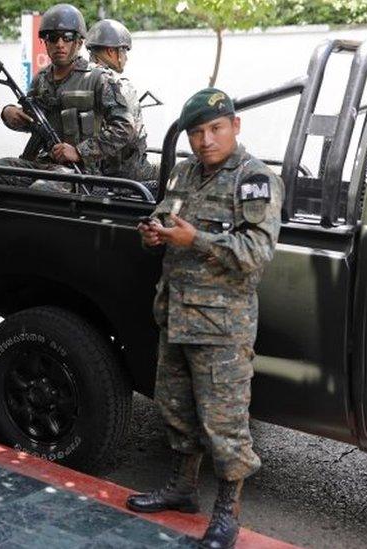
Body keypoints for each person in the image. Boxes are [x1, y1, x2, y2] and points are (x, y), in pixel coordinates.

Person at [128, 88, 283, 549]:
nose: (204, 140)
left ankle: (226, 514)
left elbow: (256, 253)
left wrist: (195, 240)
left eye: (214, 129)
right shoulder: (184, 173)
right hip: (175, 314)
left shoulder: (254, 180)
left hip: (221, 326)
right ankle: (182, 489)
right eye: (196, 132)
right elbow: (163, 218)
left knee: (225, 424)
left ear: (235, 126)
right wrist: (152, 234)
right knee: (176, 410)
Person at [0, 3, 135, 189]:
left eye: (67, 37)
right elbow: (33, 124)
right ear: (45, 42)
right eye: (53, 38)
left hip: (82, 172)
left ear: (79, 42)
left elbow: (124, 128)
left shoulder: (99, 79)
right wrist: (9, 114)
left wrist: (79, 151)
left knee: (42, 189)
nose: (60, 44)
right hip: (43, 163)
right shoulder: (41, 80)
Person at [85, 18, 158, 188]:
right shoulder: (119, 84)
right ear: (111, 51)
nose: (126, 58)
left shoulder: (80, 79)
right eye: (124, 51)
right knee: (173, 171)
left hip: (90, 170)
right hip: (124, 173)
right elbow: (128, 134)